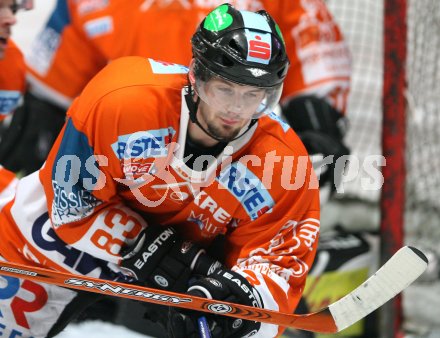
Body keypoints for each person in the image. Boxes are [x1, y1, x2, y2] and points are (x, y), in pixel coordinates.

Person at [0, 4, 320, 338]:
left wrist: (247, 298)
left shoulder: (283, 160)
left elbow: (277, 262)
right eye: (225, 89)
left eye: (254, 95)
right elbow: (71, 202)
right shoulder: (122, 99)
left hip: (188, 272)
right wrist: (149, 248)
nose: (236, 110)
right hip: (56, 242)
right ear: (197, 75)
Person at [2, 0, 350, 192]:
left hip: (237, 159)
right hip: (134, 165)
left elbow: (313, 51)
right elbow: (53, 92)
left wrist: (316, 119)